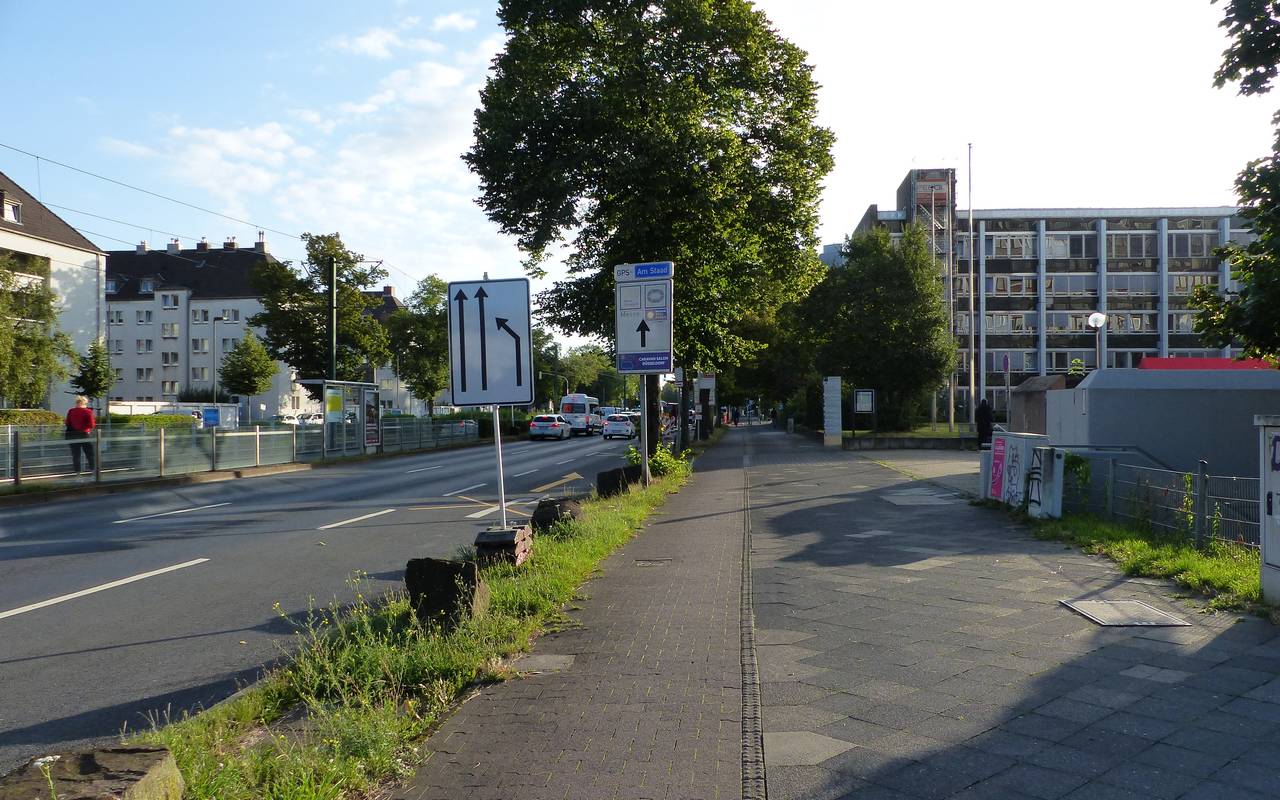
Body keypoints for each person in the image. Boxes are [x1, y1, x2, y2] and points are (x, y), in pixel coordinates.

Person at [65, 396, 96, 476]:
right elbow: (92, 425)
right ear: (85, 403)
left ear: (77, 402)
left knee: (76, 455)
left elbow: (67, 423)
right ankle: (93, 471)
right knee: (90, 453)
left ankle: (78, 473)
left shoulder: (71, 411)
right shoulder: (88, 411)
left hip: (72, 435)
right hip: (84, 434)